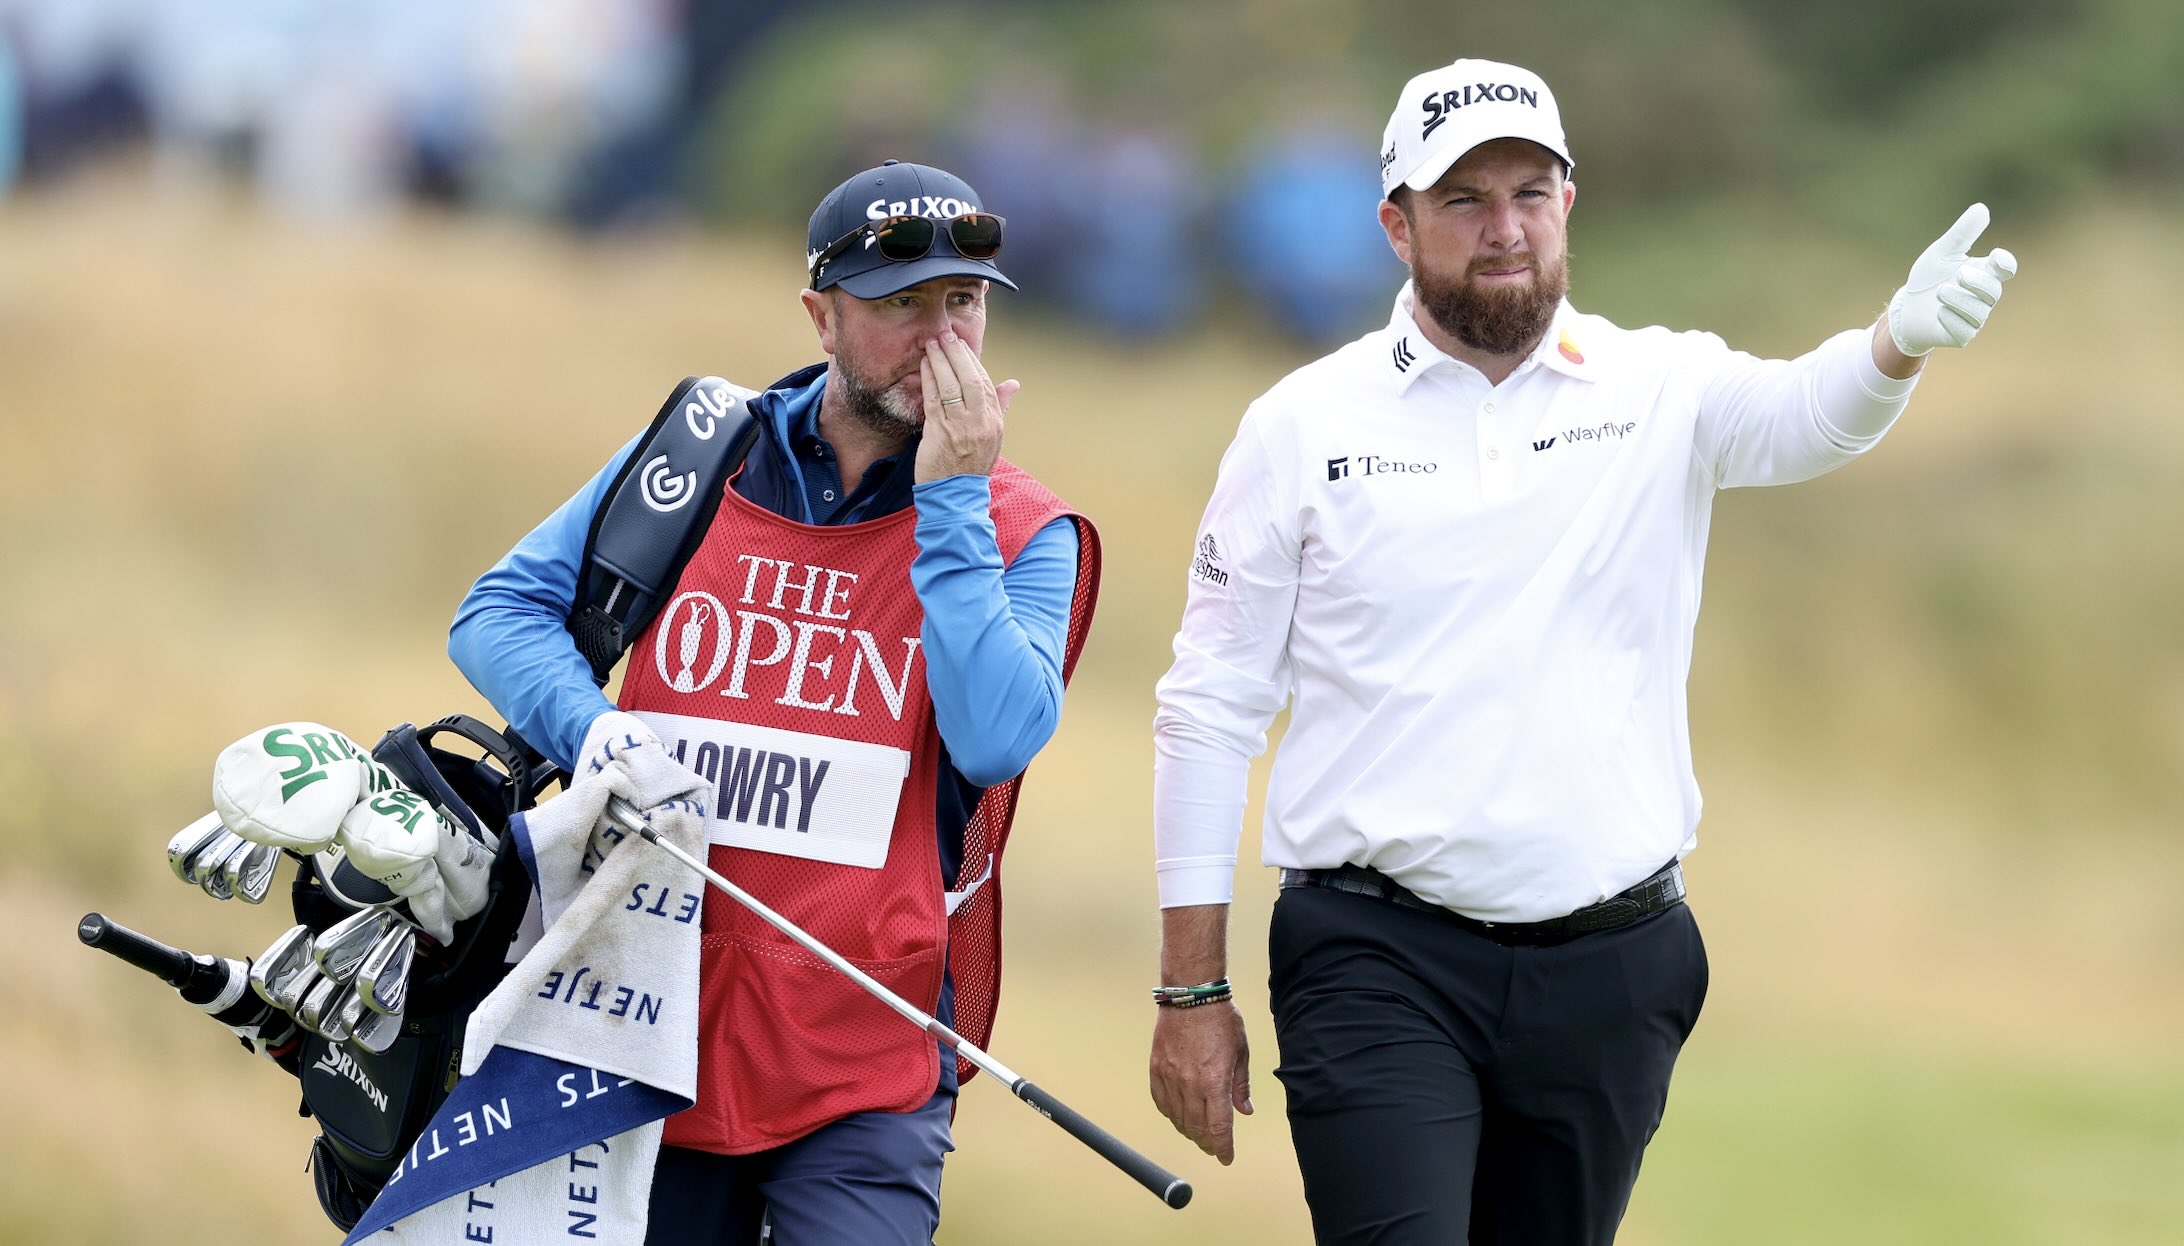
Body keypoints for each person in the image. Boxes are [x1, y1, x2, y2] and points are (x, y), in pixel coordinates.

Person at [1145, 57, 2015, 1245]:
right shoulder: (1303, 424)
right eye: (1463, 201)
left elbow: (1807, 417)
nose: (1504, 230)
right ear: (1396, 226)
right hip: (1376, 953)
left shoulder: (1660, 382)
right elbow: (1211, 706)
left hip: (1613, 961)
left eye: (1530, 193)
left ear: (1569, 202)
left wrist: (1893, 347)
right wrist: (1191, 987)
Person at [450, 158, 1100, 1246]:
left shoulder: (1028, 527)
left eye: (965, 303)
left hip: (865, 1063)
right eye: (901, 307)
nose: (942, 343)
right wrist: (598, 729)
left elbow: (996, 739)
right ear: (822, 317)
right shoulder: (700, 459)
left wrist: (949, 501)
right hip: (635, 1025)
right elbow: (500, 612)